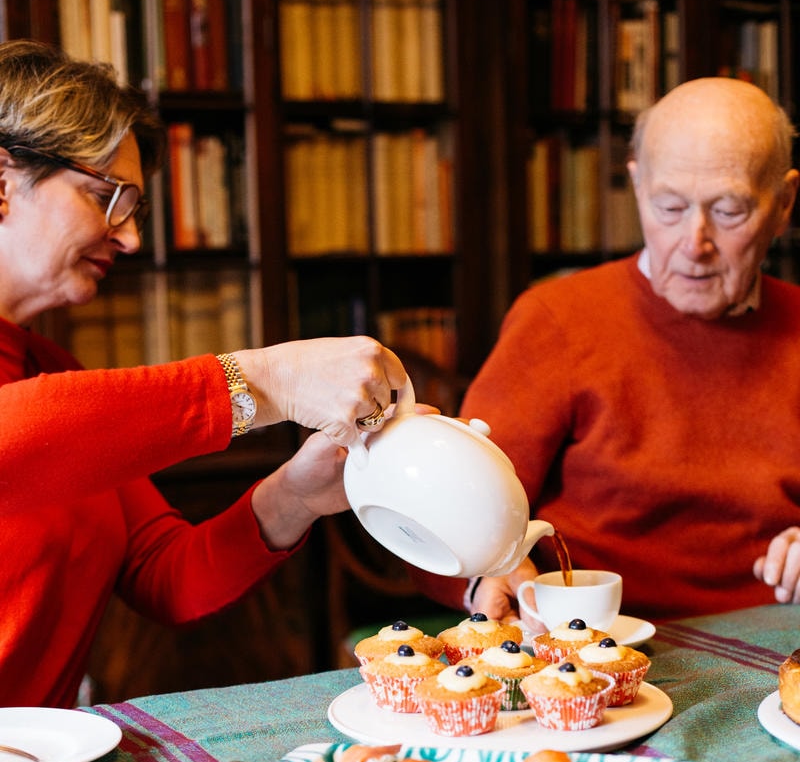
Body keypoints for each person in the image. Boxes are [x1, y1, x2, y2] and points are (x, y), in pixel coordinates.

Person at [0, 39, 407, 708]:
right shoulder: (46, 401)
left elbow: (169, 576)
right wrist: (267, 379)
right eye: (107, 197)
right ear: (4, 182)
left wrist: (296, 494)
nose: (129, 237)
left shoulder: (52, 374)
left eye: (134, 209)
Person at [418, 75, 800, 628]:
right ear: (637, 186)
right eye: (669, 207)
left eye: (729, 211)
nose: (695, 244)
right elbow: (444, 513)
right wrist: (485, 575)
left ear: (784, 203)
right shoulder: (558, 320)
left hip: (774, 642)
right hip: (590, 644)